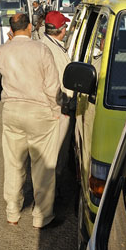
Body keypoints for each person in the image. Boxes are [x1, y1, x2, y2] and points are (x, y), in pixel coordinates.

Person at [0, 12, 61, 228]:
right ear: (29, 26)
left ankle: (13, 211)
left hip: (12, 111)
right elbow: (52, 86)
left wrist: (9, 42)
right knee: (43, 166)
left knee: (13, 163)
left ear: (12, 29)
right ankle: (41, 216)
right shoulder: (41, 49)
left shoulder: (3, 51)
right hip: (39, 113)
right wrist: (56, 110)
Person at [39, 11, 74, 180]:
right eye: (65, 26)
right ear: (61, 30)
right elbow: (61, 84)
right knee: (57, 153)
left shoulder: (44, 44)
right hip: (59, 108)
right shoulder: (53, 51)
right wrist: (66, 105)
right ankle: (53, 190)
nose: (66, 30)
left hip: (47, 107)